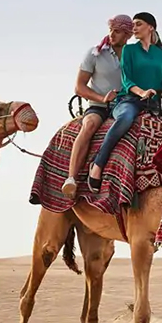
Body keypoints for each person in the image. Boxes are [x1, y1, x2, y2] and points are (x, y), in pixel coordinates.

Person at [88, 11, 162, 191]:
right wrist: (142, 92)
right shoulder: (130, 50)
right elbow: (127, 80)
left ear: (151, 27)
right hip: (129, 100)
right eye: (133, 24)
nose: (134, 28)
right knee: (126, 118)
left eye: (139, 24)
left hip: (154, 104)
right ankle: (97, 165)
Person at [62, 14, 133, 198]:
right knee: (90, 125)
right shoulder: (95, 53)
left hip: (125, 103)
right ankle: (71, 178)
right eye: (111, 30)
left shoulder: (133, 55)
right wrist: (102, 99)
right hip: (99, 105)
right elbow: (79, 87)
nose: (112, 35)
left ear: (128, 35)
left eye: (117, 32)